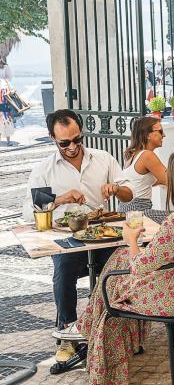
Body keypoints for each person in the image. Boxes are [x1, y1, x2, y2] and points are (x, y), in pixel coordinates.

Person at [76, 149, 174, 384]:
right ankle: (94, 329)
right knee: (120, 262)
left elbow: (140, 266)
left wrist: (131, 239)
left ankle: (92, 336)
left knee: (115, 278)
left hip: (173, 300)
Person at [22, 109, 134, 363]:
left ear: (82, 133)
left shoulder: (103, 159)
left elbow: (130, 193)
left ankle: (117, 331)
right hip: (68, 238)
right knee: (63, 271)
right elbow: (29, 211)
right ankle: (67, 335)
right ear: (52, 138)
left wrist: (116, 189)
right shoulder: (44, 169)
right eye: (64, 143)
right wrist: (60, 199)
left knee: (125, 265)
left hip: (103, 234)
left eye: (77, 139)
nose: (72, 147)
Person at [119, 117, 169, 223]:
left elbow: (140, 182)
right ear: (147, 135)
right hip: (138, 212)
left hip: (125, 211)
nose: (164, 135)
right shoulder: (147, 155)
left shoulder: (132, 154)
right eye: (160, 131)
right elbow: (171, 181)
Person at [0, 59, 15, 146]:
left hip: (3, 92)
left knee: (5, 117)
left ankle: (8, 140)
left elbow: (9, 78)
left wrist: (3, 81)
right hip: (3, 91)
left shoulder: (5, 67)